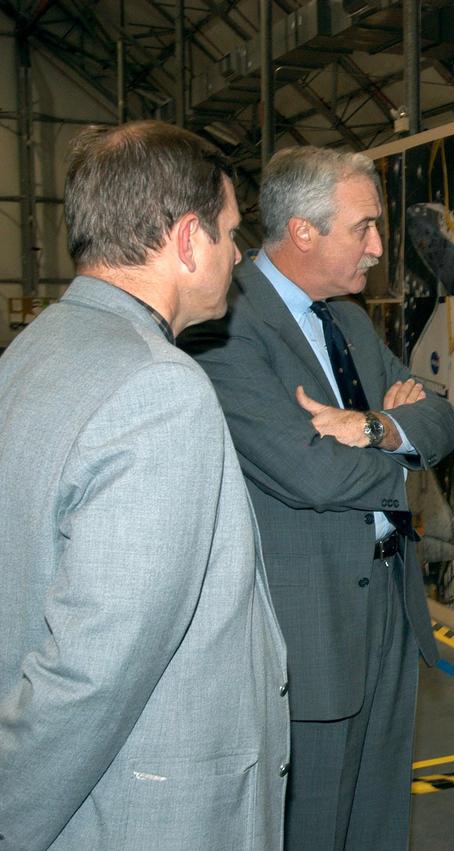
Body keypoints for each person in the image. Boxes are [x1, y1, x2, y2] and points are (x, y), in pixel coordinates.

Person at [0, 121, 290, 848]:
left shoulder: (35, 348)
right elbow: (93, 670)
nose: (238, 256)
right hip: (139, 812)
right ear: (188, 241)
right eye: (230, 234)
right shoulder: (159, 388)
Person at [181, 145, 454, 850]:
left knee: (378, 815)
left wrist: (371, 426)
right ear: (303, 230)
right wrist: (396, 460)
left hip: (389, 607)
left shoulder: (349, 321)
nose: (378, 246)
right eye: (363, 228)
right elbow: (310, 473)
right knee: (312, 823)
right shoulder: (230, 329)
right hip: (310, 627)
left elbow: (443, 418)